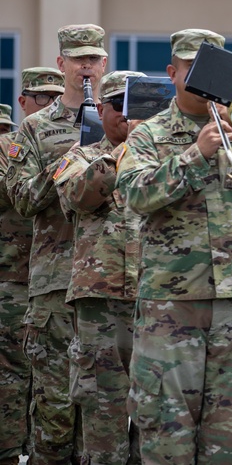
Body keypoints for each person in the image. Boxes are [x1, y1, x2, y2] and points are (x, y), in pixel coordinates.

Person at [116, 29, 232, 464]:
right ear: (172, 73)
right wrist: (194, 155)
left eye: (209, 70)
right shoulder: (150, 133)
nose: (199, 79)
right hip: (171, 302)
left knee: (229, 429)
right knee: (166, 425)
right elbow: (134, 194)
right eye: (189, 68)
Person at [6, 25, 108, 464]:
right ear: (62, 64)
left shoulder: (120, 120)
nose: (86, 66)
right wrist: (71, 159)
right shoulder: (34, 128)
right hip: (55, 282)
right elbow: (24, 199)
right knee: (54, 411)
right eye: (77, 58)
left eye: (93, 58)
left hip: (110, 281)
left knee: (104, 414)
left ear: (104, 64)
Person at [56, 70, 145, 464]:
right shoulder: (80, 156)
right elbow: (77, 196)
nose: (128, 116)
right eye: (120, 107)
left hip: (156, 299)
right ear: (102, 110)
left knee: (156, 415)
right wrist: (125, 152)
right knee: (102, 412)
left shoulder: (165, 158)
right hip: (100, 301)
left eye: (137, 107)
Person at [0, 67, 64, 465]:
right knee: (12, 376)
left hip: (52, 279)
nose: (51, 104)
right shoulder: (13, 150)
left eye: (56, 97)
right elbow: (17, 193)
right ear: (24, 102)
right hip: (12, 280)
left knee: (50, 379)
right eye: (42, 98)